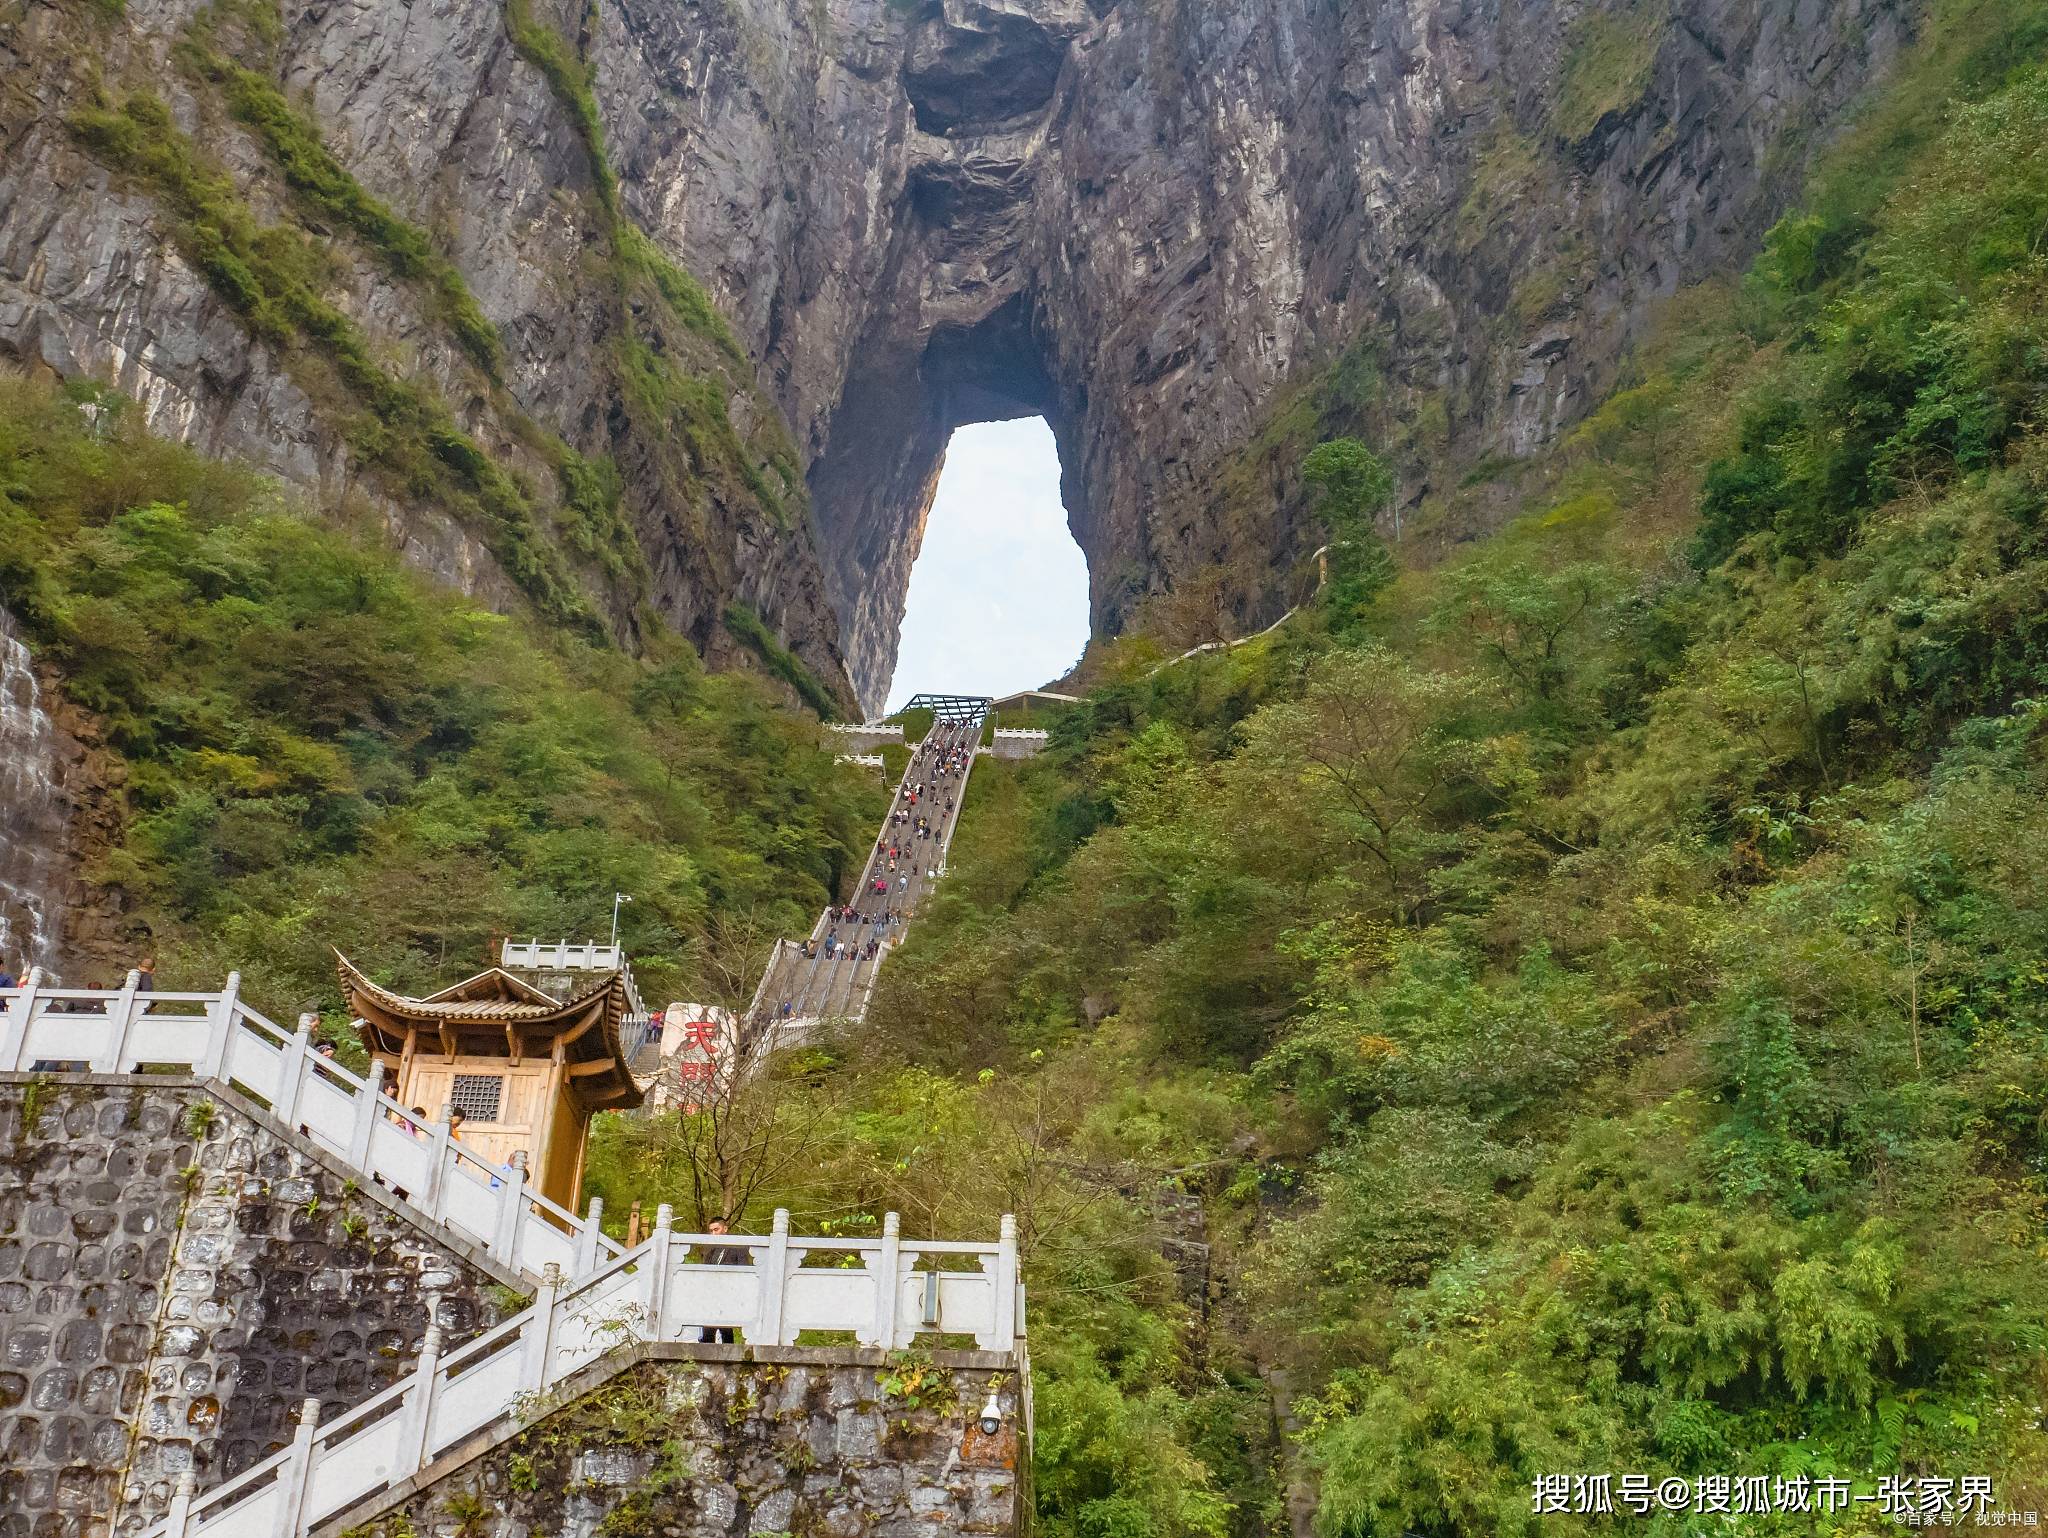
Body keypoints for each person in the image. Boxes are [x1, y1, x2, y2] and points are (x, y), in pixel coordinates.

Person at [697, 1219, 748, 1343]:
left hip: (728, 1293)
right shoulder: (711, 1250)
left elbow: (744, 1269)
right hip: (711, 1293)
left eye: (716, 1230)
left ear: (725, 1229)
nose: (713, 1234)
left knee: (725, 1328)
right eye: (711, 1231)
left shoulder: (738, 1247)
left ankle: (728, 1357)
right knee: (708, 1328)